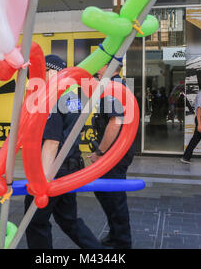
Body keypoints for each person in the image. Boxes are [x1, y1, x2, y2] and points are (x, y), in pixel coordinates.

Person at [24, 54, 103, 249]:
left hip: (54, 170)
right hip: (70, 166)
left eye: (39, 73)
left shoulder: (52, 99)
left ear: (51, 73)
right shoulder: (70, 97)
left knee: (35, 222)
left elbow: (51, 143)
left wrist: (41, 181)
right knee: (69, 220)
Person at [89, 62, 134, 249]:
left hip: (113, 154)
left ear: (109, 66)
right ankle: (116, 235)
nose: (96, 68)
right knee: (104, 192)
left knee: (114, 197)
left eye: (100, 65)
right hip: (116, 152)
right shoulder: (116, 85)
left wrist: (101, 152)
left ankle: (122, 242)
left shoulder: (113, 88)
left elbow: (115, 123)